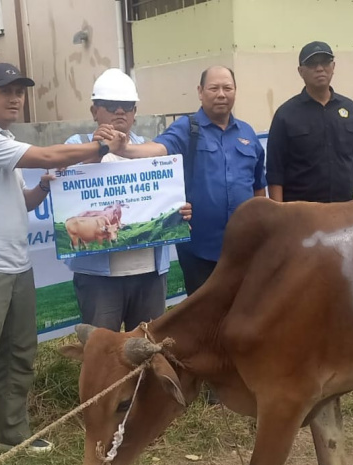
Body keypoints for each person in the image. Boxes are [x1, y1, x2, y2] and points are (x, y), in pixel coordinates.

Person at [0, 62, 126, 465]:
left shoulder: (1, 139)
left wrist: (43, 187)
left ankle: (12, 432)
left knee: (20, 354)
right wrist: (99, 147)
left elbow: (22, 202)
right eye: (4, 91)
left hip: (15, 264)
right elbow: (45, 154)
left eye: (19, 91)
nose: (14, 98)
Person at [111, 66, 267, 296]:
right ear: (200, 92)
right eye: (214, 88)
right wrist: (125, 149)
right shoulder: (187, 128)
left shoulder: (247, 133)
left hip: (244, 248)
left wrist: (261, 227)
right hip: (200, 249)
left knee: (245, 309)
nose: (221, 94)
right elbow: (159, 148)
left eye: (227, 88)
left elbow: (258, 186)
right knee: (204, 313)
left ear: (235, 91)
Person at [63, 68, 191, 332]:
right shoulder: (76, 143)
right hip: (99, 279)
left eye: (127, 106)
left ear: (135, 112)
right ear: (94, 111)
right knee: (101, 348)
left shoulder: (149, 149)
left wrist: (178, 211)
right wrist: (97, 149)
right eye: (111, 105)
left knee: (147, 346)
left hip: (149, 273)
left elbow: (165, 198)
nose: (120, 111)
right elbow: (64, 188)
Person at [266, 41, 353, 203]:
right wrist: (279, 213)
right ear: (300, 71)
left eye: (325, 62)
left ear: (333, 67)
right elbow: (275, 172)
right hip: (301, 212)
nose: (319, 68)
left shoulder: (351, 109)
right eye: (312, 64)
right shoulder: (285, 115)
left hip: (343, 210)